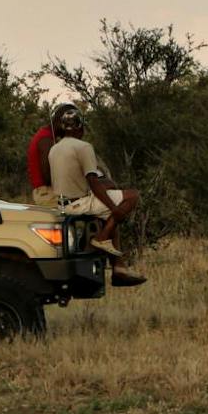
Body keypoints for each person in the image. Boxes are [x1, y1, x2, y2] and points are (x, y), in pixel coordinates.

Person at [46, 103, 146, 287]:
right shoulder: (84, 147)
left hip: (62, 204)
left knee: (108, 212)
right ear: (80, 127)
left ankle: (119, 269)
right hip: (80, 203)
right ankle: (102, 238)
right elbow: (93, 181)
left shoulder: (54, 149)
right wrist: (115, 209)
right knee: (132, 196)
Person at [24, 109, 62, 206]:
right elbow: (47, 173)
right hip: (47, 192)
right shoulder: (46, 139)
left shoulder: (44, 135)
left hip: (42, 191)